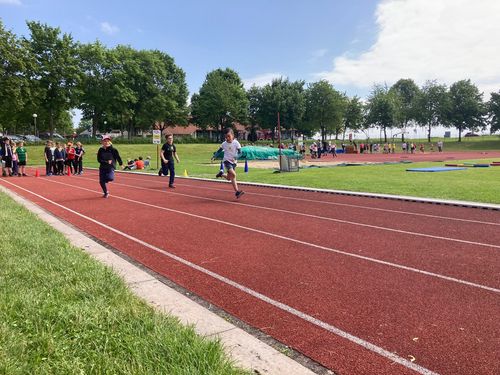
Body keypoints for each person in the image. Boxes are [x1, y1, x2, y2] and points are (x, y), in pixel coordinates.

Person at [212, 128, 244, 198]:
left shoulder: (236, 143)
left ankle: (221, 174)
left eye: (229, 136)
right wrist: (214, 156)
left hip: (233, 162)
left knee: (229, 178)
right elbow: (219, 151)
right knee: (233, 175)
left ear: (232, 135)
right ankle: (237, 192)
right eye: (226, 137)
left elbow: (240, 153)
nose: (227, 138)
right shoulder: (224, 144)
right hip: (227, 161)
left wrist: (237, 157)